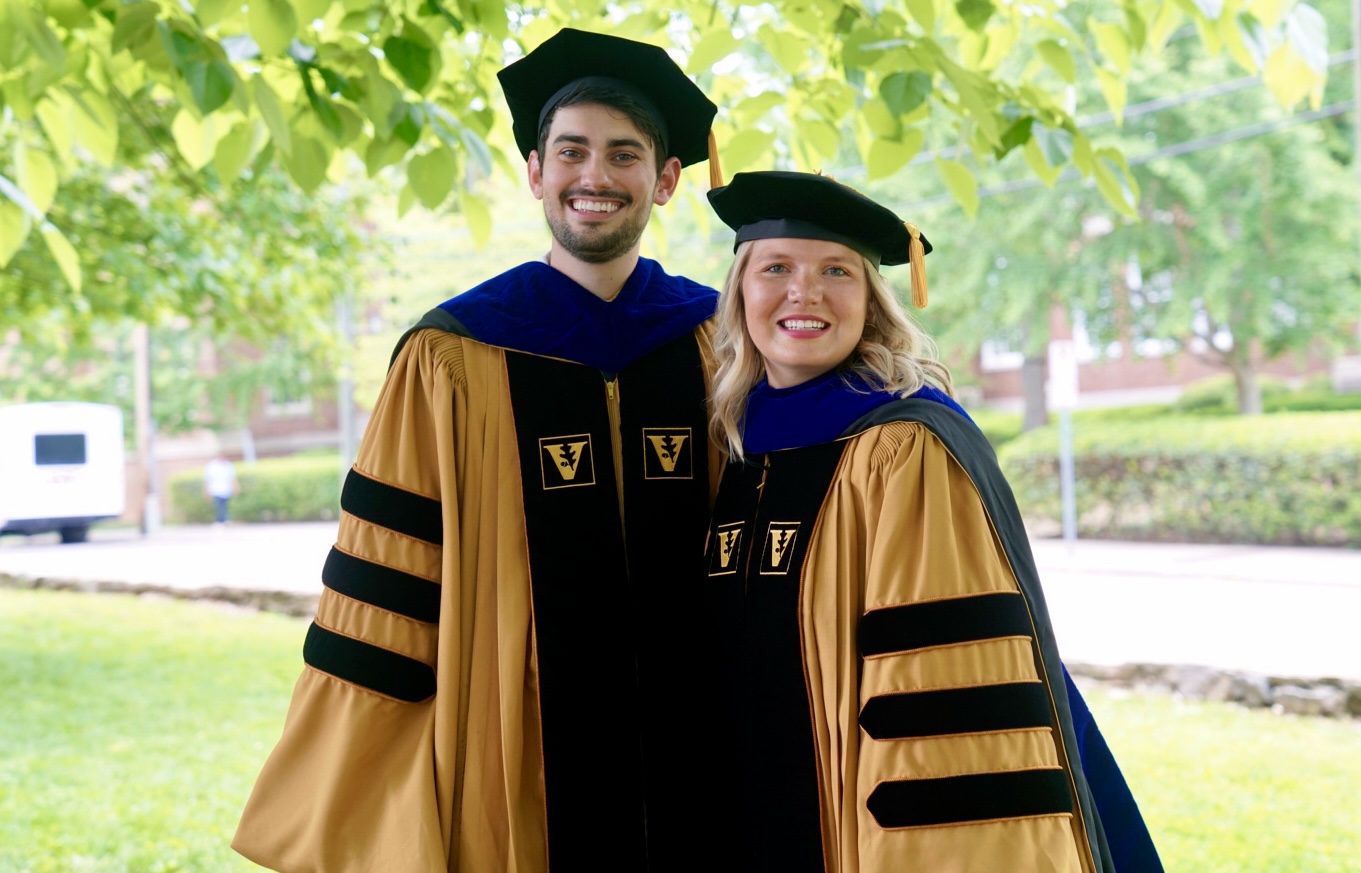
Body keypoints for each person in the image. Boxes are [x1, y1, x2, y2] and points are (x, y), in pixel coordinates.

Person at [233, 29, 736, 873]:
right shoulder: (451, 356)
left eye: (624, 154)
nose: (595, 176)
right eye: (570, 151)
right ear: (536, 173)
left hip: (706, 738)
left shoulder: (719, 339)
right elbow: (387, 575)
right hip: (519, 750)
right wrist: (374, 772)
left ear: (666, 179)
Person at [702, 171, 1163, 872]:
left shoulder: (905, 446)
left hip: (863, 828)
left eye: (837, 271)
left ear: (871, 300)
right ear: (741, 294)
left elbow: (936, 696)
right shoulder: (737, 443)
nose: (806, 291)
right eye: (776, 268)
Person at [202, 455, 238, 525]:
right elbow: (207, 479)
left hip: (226, 489)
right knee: (219, 505)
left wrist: (235, 487)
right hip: (216, 489)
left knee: (225, 505)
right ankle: (220, 520)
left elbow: (232, 477)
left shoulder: (228, 465)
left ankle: (225, 519)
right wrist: (206, 490)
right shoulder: (211, 466)